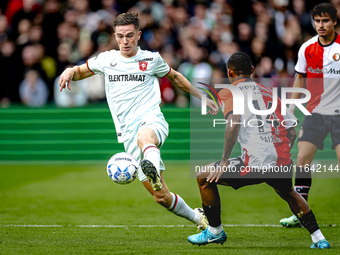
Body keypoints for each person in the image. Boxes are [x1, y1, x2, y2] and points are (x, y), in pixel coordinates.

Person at [59, 12, 218, 231]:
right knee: (161, 196)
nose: (125, 41)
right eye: (120, 36)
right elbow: (79, 71)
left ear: (138, 35)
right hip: (127, 134)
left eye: (130, 36)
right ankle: (198, 218)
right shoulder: (107, 60)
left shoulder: (151, 59)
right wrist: (69, 70)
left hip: (151, 120)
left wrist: (203, 97)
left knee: (145, 137)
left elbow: (175, 77)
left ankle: (150, 162)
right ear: (115, 36)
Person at [187, 52, 330, 249]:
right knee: (289, 192)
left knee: (204, 177)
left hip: (254, 161)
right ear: (252, 71)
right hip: (281, 160)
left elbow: (233, 121)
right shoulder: (270, 92)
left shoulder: (229, 92)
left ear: (229, 73)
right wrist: (281, 150)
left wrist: (224, 160)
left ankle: (215, 232)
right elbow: (291, 129)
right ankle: (319, 238)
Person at [280, 2, 340, 228]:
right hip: (315, 113)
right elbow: (299, 79)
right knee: (302, 160)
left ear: (334, 21)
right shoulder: (306, 48)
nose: (321, 25)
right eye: (317, 21)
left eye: (325, 21)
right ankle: (300, 213)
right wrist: (291, 111)